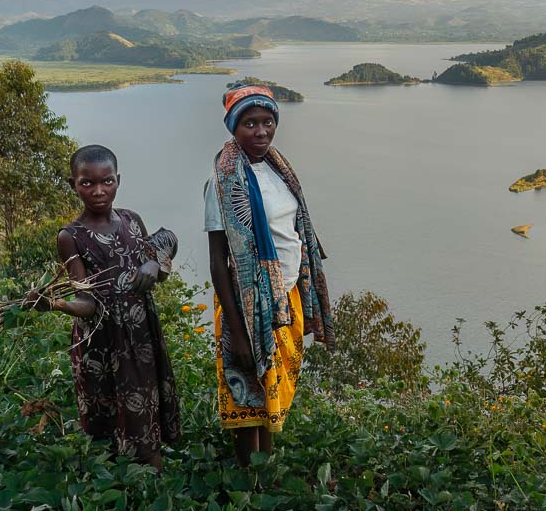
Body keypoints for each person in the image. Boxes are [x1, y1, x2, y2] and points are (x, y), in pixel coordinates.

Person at [204, 83, 334, 466]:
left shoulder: (279, 170)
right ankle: (248, 484)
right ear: (233, 126)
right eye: (249, 123)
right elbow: (217, 262)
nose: (260, 132)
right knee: (247, 393)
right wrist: (239, 331)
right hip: (245, 306)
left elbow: (295, 232)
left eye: (267, 122)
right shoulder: (223, 183)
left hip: (285, 297)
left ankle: (266, 473)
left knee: (271, 391)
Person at [29, 144, 180, 470]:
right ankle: (115, 497)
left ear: (118, 180)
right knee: (107, 419)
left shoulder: (132, 222)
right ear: (73, 184)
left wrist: (154, 266)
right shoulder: (71, 236)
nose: (98, 191)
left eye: (107, 182)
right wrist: (54, 304)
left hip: (140, 336)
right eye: (87, 183)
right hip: (100, 343)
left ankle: (155, 490)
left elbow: (163, 253)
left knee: (145, 412)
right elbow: (86, 301)